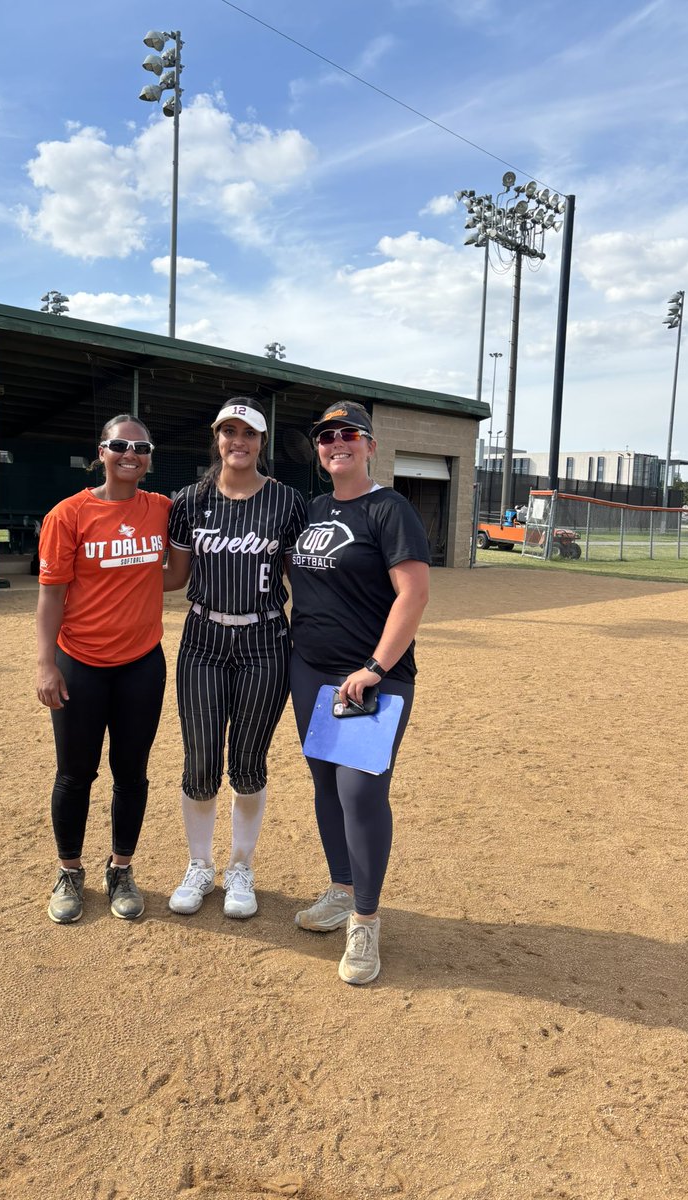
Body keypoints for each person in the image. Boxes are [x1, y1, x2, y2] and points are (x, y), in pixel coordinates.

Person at [289, 401, 431, 985]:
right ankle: (342, 889)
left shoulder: (388, 508)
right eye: (326, 436)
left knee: (360, 793)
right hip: (311, 672)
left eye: (349, 434)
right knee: (326, 782)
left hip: (370, 677)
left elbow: (414, 594)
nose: (336, 442)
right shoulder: (314, 508)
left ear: (370, 446)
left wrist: (375, 665)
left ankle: (365, 921)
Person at [164, 398, 307, 919]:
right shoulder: (189, 500)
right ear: (217, 439)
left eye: (248, 433)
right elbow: (174, 577)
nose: (238, 441)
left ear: (261, 442)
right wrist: (102, 582)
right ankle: (200, 865)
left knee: (248, 760)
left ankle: (240, 867)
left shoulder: (289, 503)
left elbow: (303, 578)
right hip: (203, 637)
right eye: (228, 432)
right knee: (200, 757)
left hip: (265, 640)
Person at [36, 415, 171, 924]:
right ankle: (70, 871)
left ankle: (121, 868)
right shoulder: (69, 514)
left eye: (140, 446)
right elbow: (50, 597)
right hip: (80, 664)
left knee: (131, 774)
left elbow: (177, 570)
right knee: (75, 774)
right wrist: (46, 664)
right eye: (120, 445)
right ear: (102, 451)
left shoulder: (160, 508)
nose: (130, 454)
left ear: (149, 456)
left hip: (141, 664)